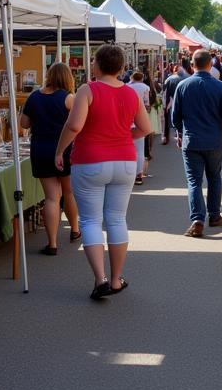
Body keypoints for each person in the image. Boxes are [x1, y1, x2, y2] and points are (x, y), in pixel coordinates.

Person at [55, 44, 152, 300]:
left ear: (97, 64)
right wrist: (123, 136)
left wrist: (59, 151)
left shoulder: (88, 90)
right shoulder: (131, 94)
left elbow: (75, 125)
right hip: (125, 161)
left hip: (90, 160)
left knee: (90, 220)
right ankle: (118, 278)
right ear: (121, 67)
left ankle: (101, 280)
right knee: (117, 219)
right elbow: (144, 128)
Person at [171, 49, 222, 237]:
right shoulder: (219, 87)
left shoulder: (183, 86)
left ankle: (197, 219)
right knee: (214, 177)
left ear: (192, 65)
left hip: (191, 140)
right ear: (210, 65)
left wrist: (179, 133)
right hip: (214, 141)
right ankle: (215, 215)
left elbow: (175, 116)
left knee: (194, 181)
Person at [20, 62, 80, 255]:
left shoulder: (34, 96)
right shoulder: (69, 98)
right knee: (69, 193)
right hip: (66, 150)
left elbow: (24, 124)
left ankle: (52, 243)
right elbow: (78, 125)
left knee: (51, 198)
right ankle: (75, 229)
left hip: (41, 149)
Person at [129, 70, 152, 185]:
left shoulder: (126, 87)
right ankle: (139, 175)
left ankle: (129, 174)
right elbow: (147, 104)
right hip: (139, 121)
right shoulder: (145, 87)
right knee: (139, 150)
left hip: (127, 122)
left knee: (128, 149)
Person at [161, 59, 191, 145]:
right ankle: (182, 135)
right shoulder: (189, 78)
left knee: (173, 119)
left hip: (172, 102)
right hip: (185, 102)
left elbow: (165, 92)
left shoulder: (169, 79)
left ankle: (173, 135)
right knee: (184, 120)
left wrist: (165, 104)